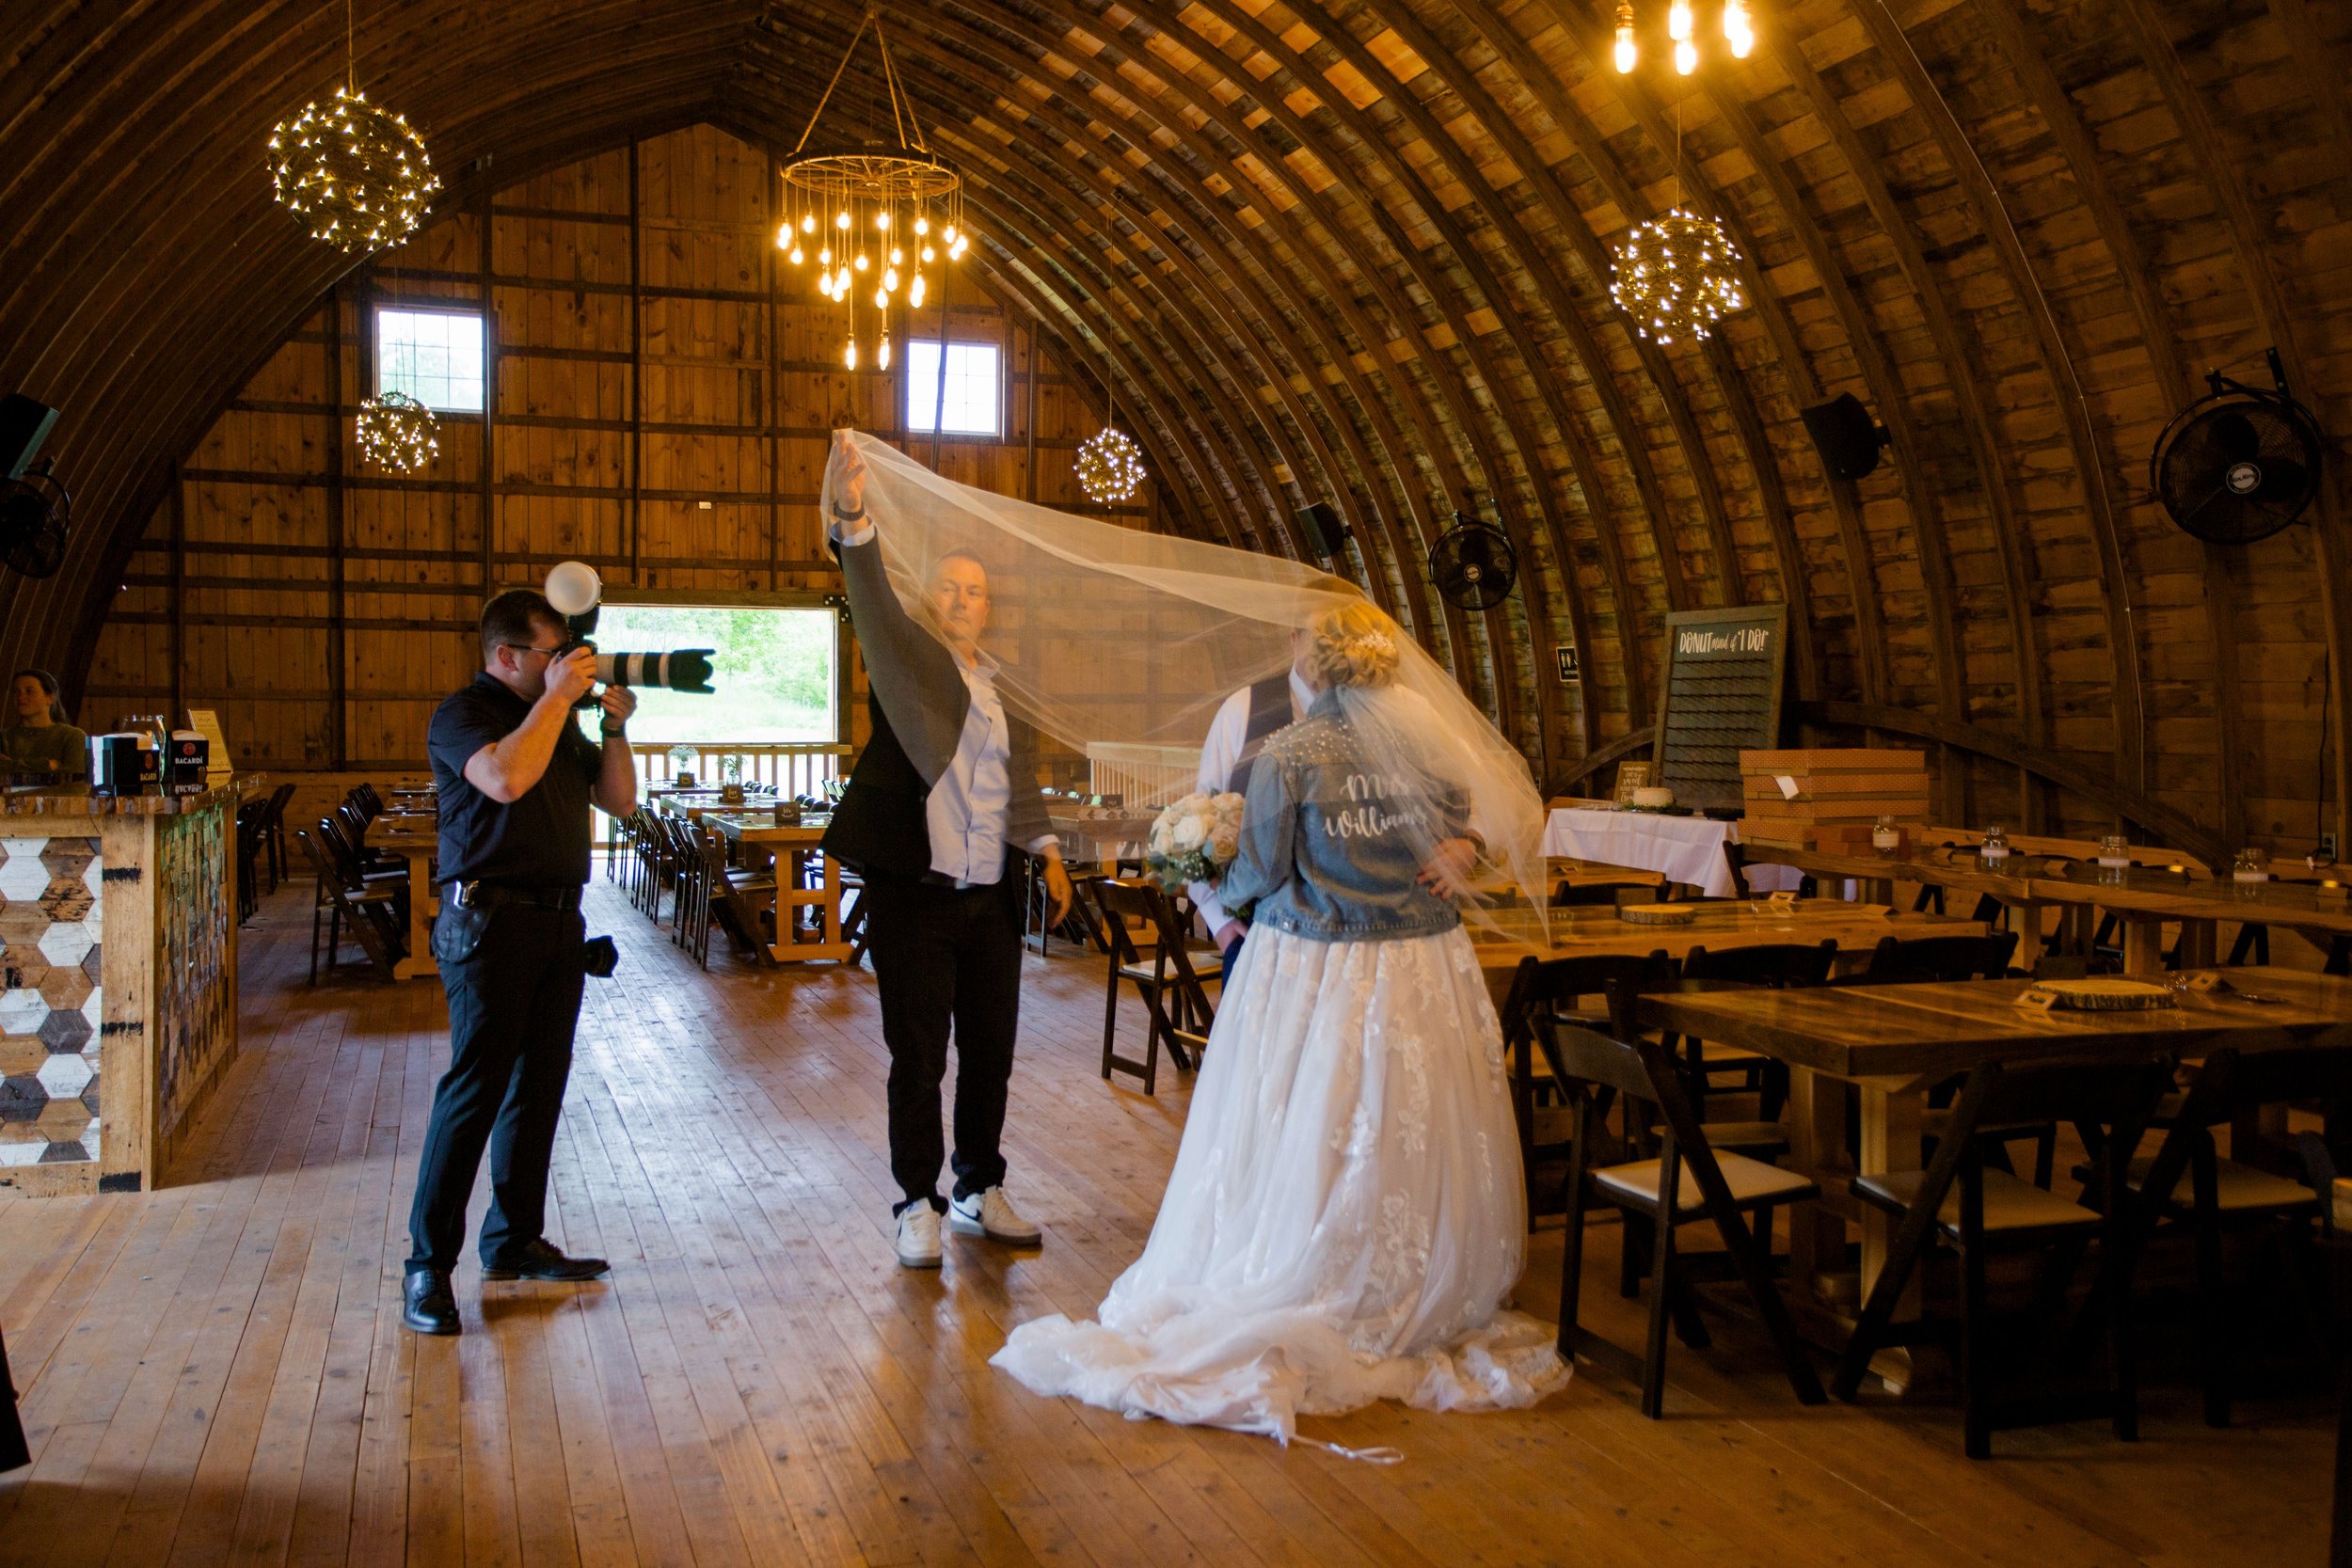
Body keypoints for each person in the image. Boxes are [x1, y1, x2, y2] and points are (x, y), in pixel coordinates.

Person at [991, 600, 1567, 1444]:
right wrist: (1465, 848)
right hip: (1418, 962)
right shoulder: (1430, 748)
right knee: (1406, 1114)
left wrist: (1212, 877)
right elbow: (1478, 813)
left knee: (1314, 1112)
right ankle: (1413, 1271)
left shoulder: (1294, 751)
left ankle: (1307, 1251)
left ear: (1319, 667)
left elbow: (1261, 869)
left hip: (1319, 964)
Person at [821, 430, 1074, 1271]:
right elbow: (868, 587)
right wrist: (854, 513)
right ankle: (917, 1200)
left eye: (977, 590)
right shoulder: (907, 663)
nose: (965, 599)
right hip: (917, 894)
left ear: (989, 607)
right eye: (951, 588)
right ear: (931, 601)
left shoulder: (1002, 689)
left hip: (991, 895)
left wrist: (1048, 852)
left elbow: (1022, 777)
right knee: (919, 1055)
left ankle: (977, 1187)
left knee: (992, 1050)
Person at [401, 589, 639, 1337]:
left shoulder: (561, 721)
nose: (568, 662)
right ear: (508, 656)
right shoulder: (463, 714)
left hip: (559, 920)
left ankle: (512, 1240)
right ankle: (426, 1267)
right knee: (473, 1091)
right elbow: (505, 779)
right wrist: (559, 702)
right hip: (489, 921)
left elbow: (621, 801)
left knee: (539, 1088)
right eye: (552, 652)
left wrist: (610, 726)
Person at [1185, 633, 1314, 965]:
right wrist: (1223, 926)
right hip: (1255, 933)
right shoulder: (1244, 708)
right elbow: (1202, 821)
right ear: (1295, 639)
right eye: (1321, 636)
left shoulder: (1377, 712)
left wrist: (1469, 838)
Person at [1, 669, 87, 784]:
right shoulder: (4, 737)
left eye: (29, 691)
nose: (21, 697)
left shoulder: (72, 736)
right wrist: (46, 765)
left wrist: (13, 768)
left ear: (50, 698)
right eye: (16, 692)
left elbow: (74, 783)